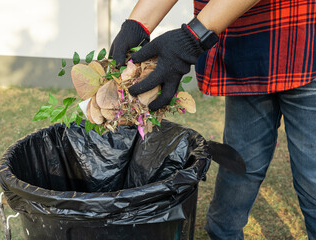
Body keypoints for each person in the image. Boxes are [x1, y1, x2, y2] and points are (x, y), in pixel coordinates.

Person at [109, 0, 316, 239]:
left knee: (312, 177)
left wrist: (192, 37)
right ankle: (223, 233)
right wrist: (137, 24)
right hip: (247, 48)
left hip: (302, 42)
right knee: (240, 163)